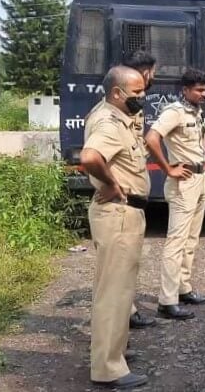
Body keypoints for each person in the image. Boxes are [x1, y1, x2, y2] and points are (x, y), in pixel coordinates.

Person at [81, 66, 149, 389]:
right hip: (118, 213)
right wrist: (112, 183)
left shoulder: (118, 117)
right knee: (113, 293)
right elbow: (91, 157)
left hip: (123, 214)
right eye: (137, 93)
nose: (143, 97)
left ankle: (115, 352)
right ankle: (108, 368)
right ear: (117, 94)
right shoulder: (109, 122)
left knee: (120, 292)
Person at [145, 68, 205, 320]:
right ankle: (167, 300)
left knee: (191, 240)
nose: (204, 94)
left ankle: (183, 288)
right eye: (199, 90)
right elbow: (152, 139)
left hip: (199, 177)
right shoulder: (174, 112)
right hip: (183, 184)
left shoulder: (195, 111)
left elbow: (201, 137)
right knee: (176, 242)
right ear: (185, 90)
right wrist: (168, 169)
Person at [121, 49, 157, 330]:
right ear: (144, 72)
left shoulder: (134, 108)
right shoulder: (113, 113)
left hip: (133, 201)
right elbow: (98, 157)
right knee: (118, 271)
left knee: (128, 267)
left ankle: (127, 313)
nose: (154, 78)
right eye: (152, 72)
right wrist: (113, 186)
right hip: (118, 203)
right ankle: (120, 321)